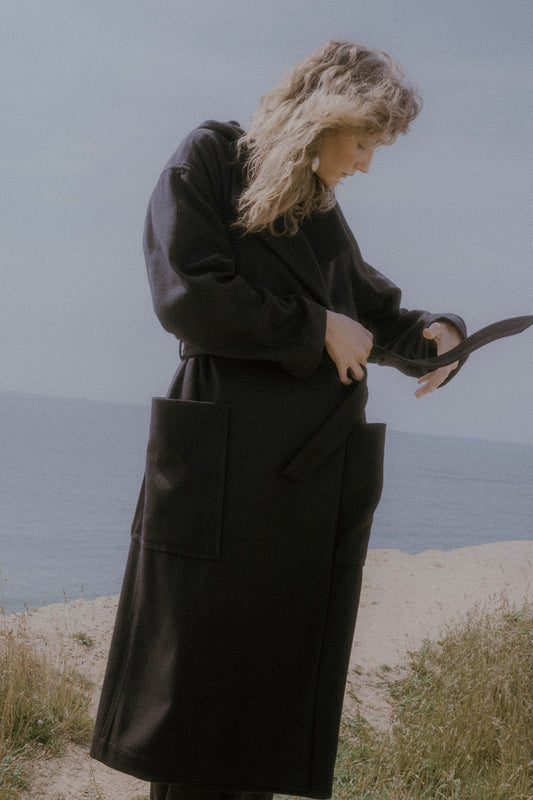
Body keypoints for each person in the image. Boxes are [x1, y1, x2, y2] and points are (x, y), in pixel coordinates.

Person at [90, 41, 467, 800]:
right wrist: (312, 327)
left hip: (303, 478)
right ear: (325, 117)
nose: (365, 164)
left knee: (265, 695)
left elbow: (371, 311)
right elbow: (187, 294)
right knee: (196, 690)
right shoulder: (211, 157)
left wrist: (438, 335)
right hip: (223, 462)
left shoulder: (318, 205)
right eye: (362, 143)